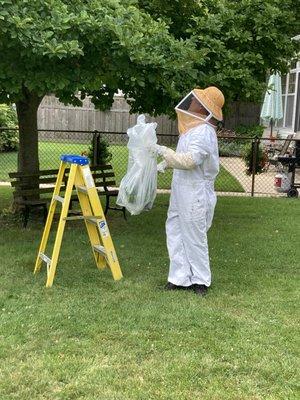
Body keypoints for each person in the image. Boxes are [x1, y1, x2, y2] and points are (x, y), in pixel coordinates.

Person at [153, 86, 225, 296]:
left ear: (203, 107)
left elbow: (191, 161)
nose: (192, 102)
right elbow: (182, 156)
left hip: (195, 191)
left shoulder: (204, 132)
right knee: (175, 231)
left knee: (194, 236)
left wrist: (164, 152)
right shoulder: (191, 130)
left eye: (198, 100)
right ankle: (179, 278)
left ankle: (200, 280)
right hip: (181, 189)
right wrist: (166, 163)